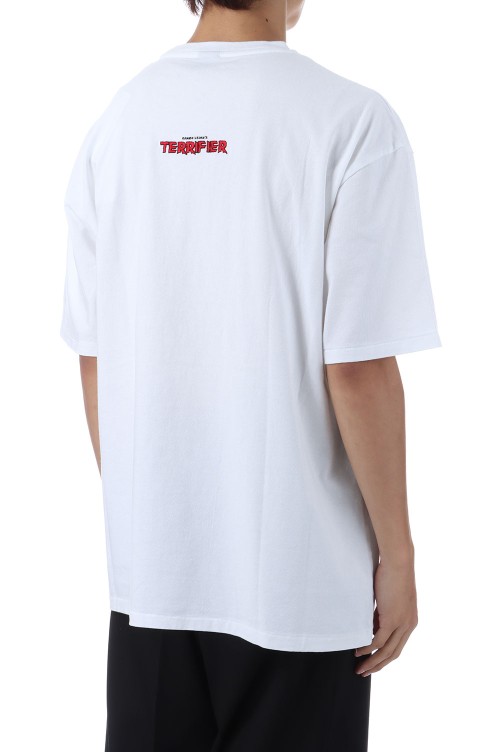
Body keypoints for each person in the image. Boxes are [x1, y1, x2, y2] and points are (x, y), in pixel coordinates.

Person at [59, 0, 441, 749]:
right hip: (300, 582)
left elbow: (95, 353)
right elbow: (358, 365)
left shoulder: (119, 122)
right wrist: (398, 555)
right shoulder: (351, 121)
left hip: (153, 582)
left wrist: (152, 519)